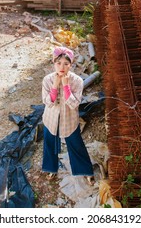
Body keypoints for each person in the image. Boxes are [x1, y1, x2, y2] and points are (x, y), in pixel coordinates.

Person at [41, 46, 94, 185]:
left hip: (69, 120)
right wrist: (55, 86)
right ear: (54, 63)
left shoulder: (77, 81)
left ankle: (86, 170)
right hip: (50, 119)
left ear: (71, 64)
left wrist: (65, 86)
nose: (62, 67)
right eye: (58, 63)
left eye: (66, 63)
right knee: (49, 143)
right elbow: (47, 102)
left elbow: (74, 104)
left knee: (76, 144)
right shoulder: (47, 80)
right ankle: (51, 169)